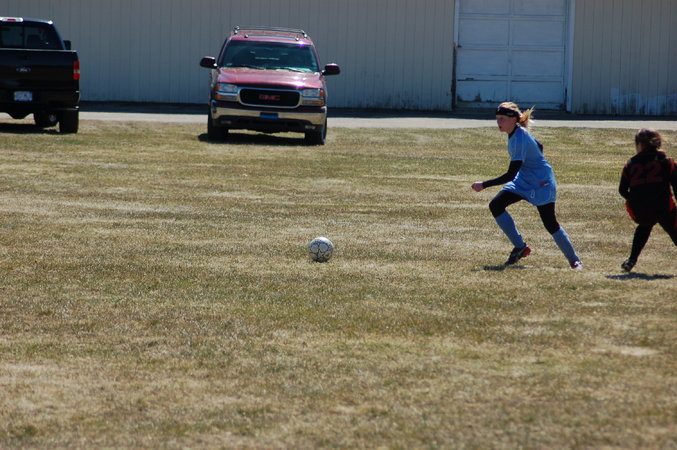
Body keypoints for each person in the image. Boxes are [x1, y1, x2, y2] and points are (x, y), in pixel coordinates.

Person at [471, 102, 583, 269]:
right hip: (524, 180)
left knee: (550, 223)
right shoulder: (516, 133)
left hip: (541, 182)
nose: (498, 122)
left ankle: (574, 260)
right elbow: (539, 146)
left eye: (502, 119)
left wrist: (484, 184)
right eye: (497, 118)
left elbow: (510, 175)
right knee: (496, 205)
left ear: (513, 119)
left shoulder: (519, 138)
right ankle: (520, 247)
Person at [618, 128, 677, 272]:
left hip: (640, 209)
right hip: (663, 206)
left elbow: (622, 190)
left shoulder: (631, 163)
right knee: (674, 229)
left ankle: (631, 260)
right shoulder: (667, 161)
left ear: (640, 145)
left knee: (644, 226)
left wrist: (635, 200)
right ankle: (631, 260)